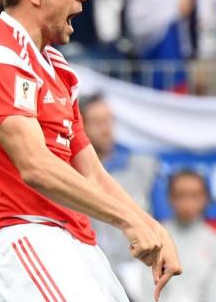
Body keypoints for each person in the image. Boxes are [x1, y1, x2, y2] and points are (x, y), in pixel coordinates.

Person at [0, 0, 181, 302]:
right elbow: (35, 166)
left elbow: (91, 170)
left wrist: (151, 225)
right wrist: (126, 220)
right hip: (27, 232)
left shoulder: (57, 66)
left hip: (77, 240)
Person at [80, 93, 160, 299]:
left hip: (141, 278)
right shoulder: (70, 174)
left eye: (109, 121)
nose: (106, 129)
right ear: (80, 126)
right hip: (90, 278)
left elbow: (163, 223)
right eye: (97, 122)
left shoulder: (143, 167)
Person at [139, 170, 216, 302]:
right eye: (181, 195)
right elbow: (147, 293)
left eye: (194, 196)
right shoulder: (154, 238)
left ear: (205, 199)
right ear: (170, 198)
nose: (187, 203)